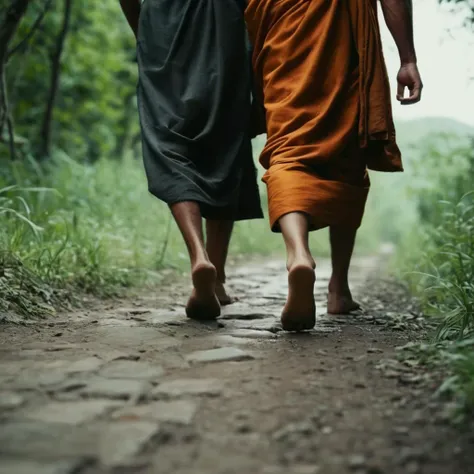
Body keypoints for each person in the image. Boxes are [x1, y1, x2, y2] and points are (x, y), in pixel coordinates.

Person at [245, 0, 423, 331]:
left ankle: (298, 254)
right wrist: (407, 58)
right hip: (342, 26)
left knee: (288, 147)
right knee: (347, 147)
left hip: (279, 26)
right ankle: (338, 287)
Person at [119, 0, 263, 320]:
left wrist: (144, 26)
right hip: (224, 19)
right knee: (225, 139)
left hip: (160, 20)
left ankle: (199, 255)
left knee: (168, 140)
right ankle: (218, 276)